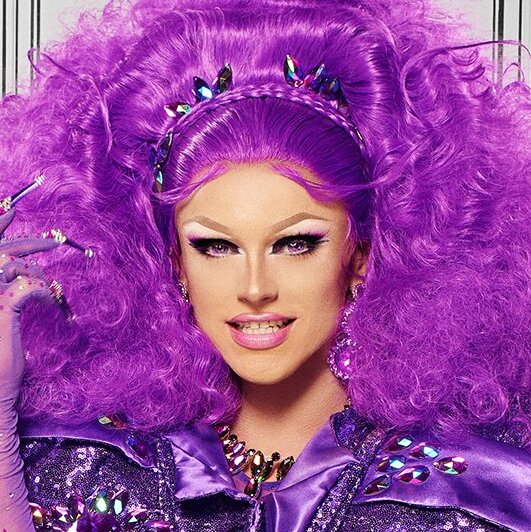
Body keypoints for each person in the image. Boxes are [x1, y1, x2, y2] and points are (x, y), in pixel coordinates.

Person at [0, 0, 529, 530]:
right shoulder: (94, 464)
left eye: (295, 244)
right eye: (216, 247)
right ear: (176, 263)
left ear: (360, 257)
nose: (254, 289)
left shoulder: (466, 495)